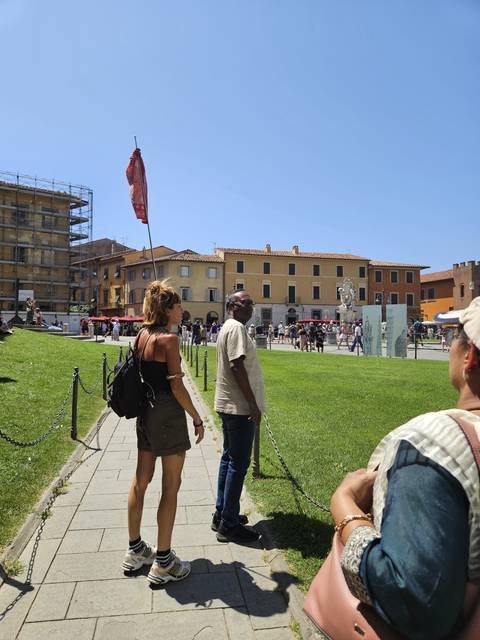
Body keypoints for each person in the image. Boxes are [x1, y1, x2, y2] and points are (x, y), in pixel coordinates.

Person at [328, 296, 480, 639]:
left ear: (468, 357)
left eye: (456, 334)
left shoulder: (435, 444)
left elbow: (410, 600)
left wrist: (345, 505)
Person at [122, 280, 205, 585]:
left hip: (144, 413)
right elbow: (176, 385)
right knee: (171, 485)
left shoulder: (141, 335)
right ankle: (164, 562)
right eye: (179, 305)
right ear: (168, 309)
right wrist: (197, 417)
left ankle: (135, 550)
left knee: (140, 480)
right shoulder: (169, 340)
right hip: (167, 415)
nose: (182, 310)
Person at [213, 290, 265, 543]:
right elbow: (236, 366)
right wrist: (252, 405)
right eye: (247, 303)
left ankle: (222, 513)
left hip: (229, 405)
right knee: (238, 463)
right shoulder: (235, 329)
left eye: (252, 303)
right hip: (239, 408)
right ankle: (229, 524)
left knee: (228, 459)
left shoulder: (229, 327)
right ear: (233, 306)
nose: (251, 307)